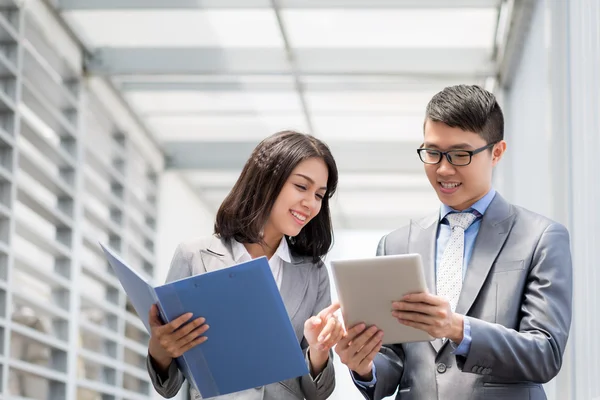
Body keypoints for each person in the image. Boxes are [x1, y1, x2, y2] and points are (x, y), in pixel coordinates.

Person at [335, 85, 573, 399]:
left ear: (497, 152)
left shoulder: (540, 238)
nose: (443, 169)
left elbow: (545, 354)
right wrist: (365, 366)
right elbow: (395, 362)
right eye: (432, 153)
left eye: (460, 154)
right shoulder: (396, 244)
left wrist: (457, 329)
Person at [146, 130, 344, 400]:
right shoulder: (194, 256)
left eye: (320, 195)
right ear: (267, 181)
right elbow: (168, 386)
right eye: (301, 186)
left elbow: (318, 393)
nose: (310, 203)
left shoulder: (313, 273)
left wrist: (319, 351)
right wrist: (160, 349)